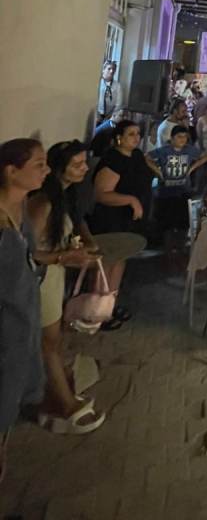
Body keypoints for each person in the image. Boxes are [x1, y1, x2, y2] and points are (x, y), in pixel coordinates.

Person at [26, 141, 105, 433]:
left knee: (53, 340)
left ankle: (55, 394)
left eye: (85, 162)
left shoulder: (64, 195)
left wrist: (84, 245)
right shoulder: (43, 202)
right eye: (77, 164)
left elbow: (74, 224)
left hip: (54, 276)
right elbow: (27, 252)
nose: (85, 168)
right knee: (49, 342)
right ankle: (64, 403)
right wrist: (64, 257)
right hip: (42, 279)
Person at [0, 139, 47, 475]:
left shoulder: (20, 207)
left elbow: (29, 257)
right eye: (39, 165)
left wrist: (62, 257)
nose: (47, 171)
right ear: (11, 171)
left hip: (22, 319)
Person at [86, 120, 151, 326]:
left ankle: (109, 306)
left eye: (138, 133)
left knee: (120, 259)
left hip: (128, 220)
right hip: (111, 219)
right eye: (131, 134)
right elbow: (101, 193)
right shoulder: (113, 160)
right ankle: (94, 310)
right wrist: (130, 200)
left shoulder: (137, 155)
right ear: (118, 138)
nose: (136, 137)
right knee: (104, 264)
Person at [146, 127, 207, 255]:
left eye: (184, 137)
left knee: (183, 222)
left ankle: (180, 249)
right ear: (172, 138)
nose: (182, 140)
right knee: (166, 223)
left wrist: (192, 168)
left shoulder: (189, 149)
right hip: (166, 192)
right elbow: (146, 157)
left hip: (183, 191)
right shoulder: (164, 150)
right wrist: (158, 172)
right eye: (179, 137)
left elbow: (204, 156)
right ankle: (167, 250)